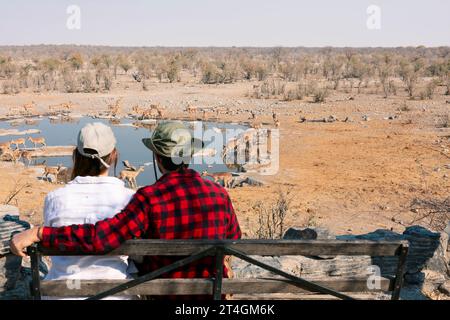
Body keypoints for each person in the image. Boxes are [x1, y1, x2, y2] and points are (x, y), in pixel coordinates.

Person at [11, 121, 241, 300]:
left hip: (164, 293)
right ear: (188, 155)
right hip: (211, 294)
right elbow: (234, 239)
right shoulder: (219, 194)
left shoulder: (148, 198)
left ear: (158, 159)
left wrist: (41, 233)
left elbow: (101, 238)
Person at [42, 122, 136, 300]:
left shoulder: (55, 199)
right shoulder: (130, 200)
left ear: (76, 155)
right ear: (114, 155)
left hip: (62, 295)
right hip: (116, 295)